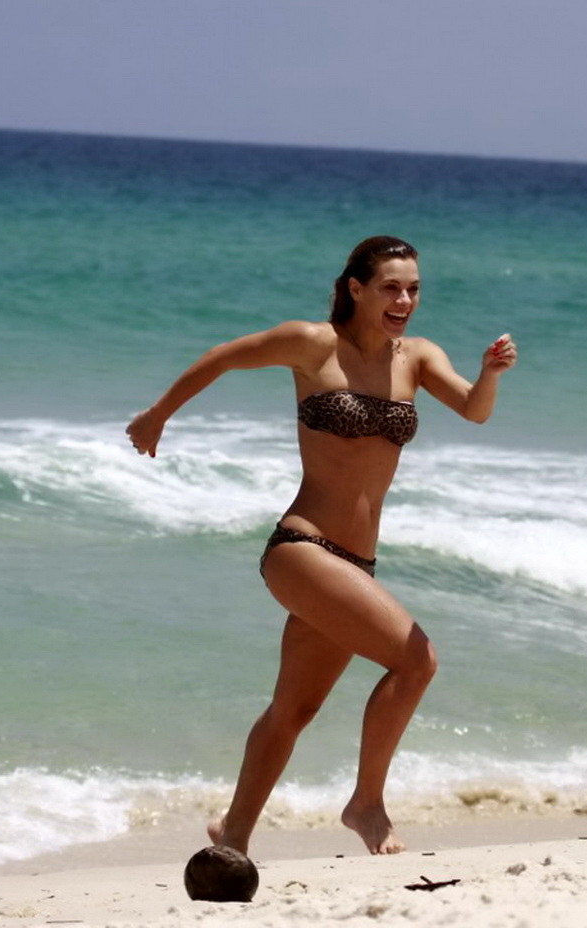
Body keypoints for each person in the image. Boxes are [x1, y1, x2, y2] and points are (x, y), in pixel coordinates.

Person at [126, 235, 517, 856]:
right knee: (416, 662)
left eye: (414, 287)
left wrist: (490, 375)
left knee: (293, 711)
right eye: (391, 286)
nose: (405, 299)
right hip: (302, 548)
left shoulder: (416, 357)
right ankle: (366, 804)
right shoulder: (313, 344)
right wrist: (158, 414)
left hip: (355, 562)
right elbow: (224, 357)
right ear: (357, 288)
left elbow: (473, 409)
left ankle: (232, 840)